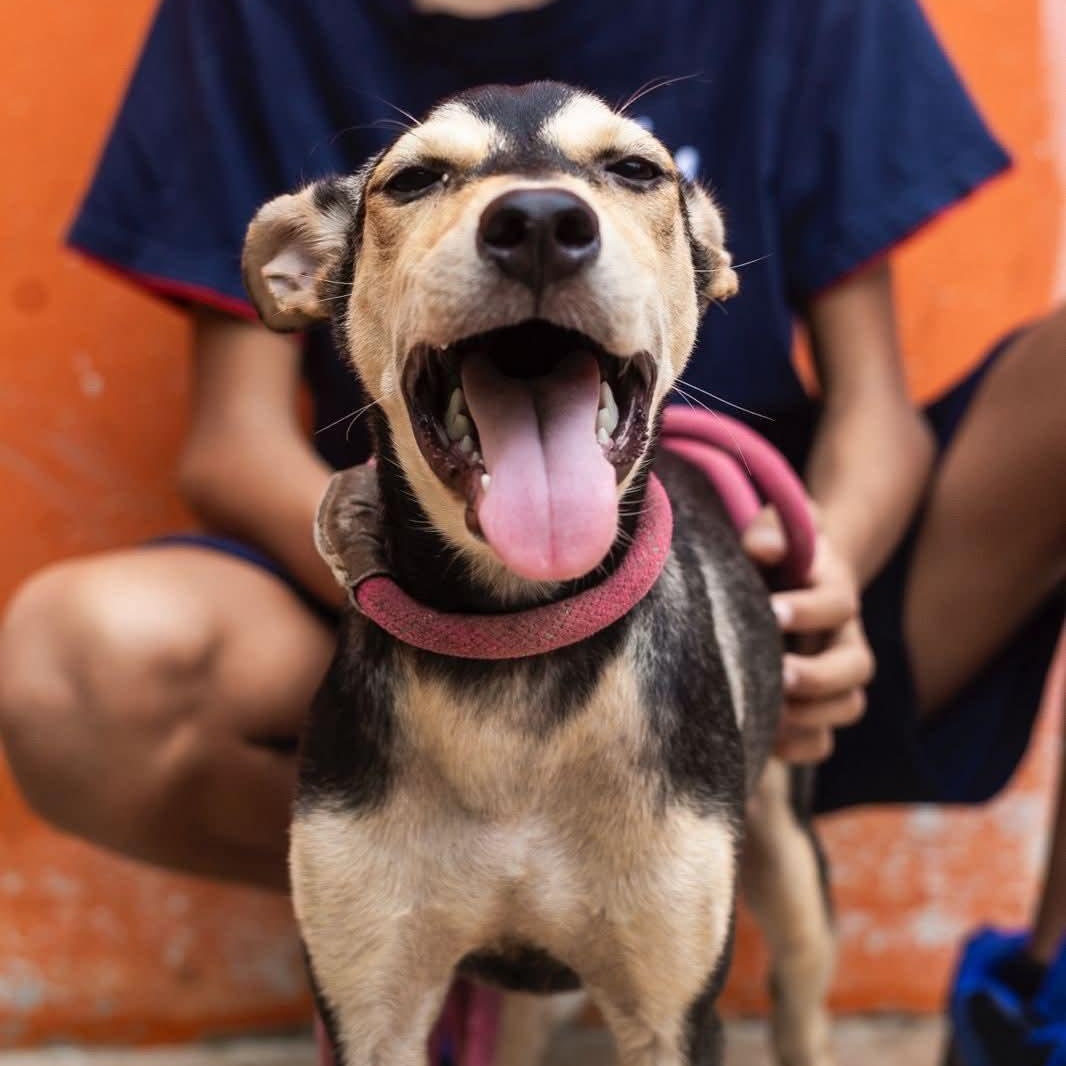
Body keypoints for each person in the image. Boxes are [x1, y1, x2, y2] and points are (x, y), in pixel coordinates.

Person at [0, 0, 1062, 1061]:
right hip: (389, 607)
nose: (538, 213)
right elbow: (229, 441)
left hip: (772, 598)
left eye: (631, 173)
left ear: (704, 261)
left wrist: (805, 595)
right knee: (65, 661)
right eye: (420, 179)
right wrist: (421, 601)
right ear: (306, 271)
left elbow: (877, 408)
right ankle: (445, 900)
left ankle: (1040, 1000)